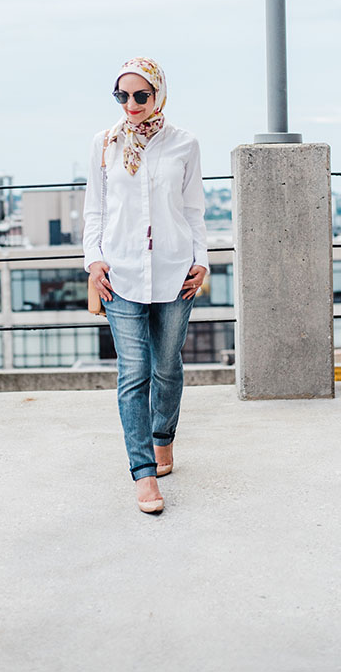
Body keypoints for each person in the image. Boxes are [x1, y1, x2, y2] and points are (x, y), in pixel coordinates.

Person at [83, 57, 209, 514]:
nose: (131, 104)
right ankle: (144, 474)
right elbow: (94, 211)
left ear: (158, 94)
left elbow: (193, 209)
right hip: (120, 275)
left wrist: (203, 261)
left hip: (176, 272)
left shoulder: (184, 144)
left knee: (168, 367)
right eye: (123, 96)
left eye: (141, 95)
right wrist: (92, 261)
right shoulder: (104, 144)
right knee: (133, 374)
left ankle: (163, 439)